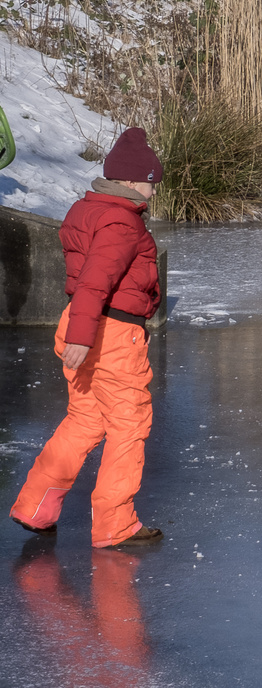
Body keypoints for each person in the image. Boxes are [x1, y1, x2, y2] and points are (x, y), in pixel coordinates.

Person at [11, 128, 165, 548]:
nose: (154, 189)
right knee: (129, 424)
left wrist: (79, 332)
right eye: (152, 181)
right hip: (108, 334)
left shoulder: (88, 209)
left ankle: (35, 505)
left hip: (83, 325)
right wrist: (84, 336)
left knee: (85, 419)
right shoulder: (121, 221)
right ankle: (116, 523)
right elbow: (96, 280)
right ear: (133, 180)